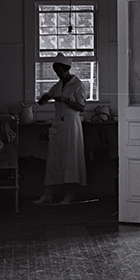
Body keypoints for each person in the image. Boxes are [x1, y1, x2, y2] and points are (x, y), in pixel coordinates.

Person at [34, 53, 87, 204]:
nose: (58, 74)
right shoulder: (58, 85)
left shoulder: (78, 85)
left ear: (67, 69)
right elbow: (46, 98)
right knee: (54, 158)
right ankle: (48, 193)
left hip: (71, 125)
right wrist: (44, 98)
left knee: (70, 159)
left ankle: (70, 194)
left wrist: (65, 100)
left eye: (60, 71)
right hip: (58, 124)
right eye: (56, 71)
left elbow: (81, 107)